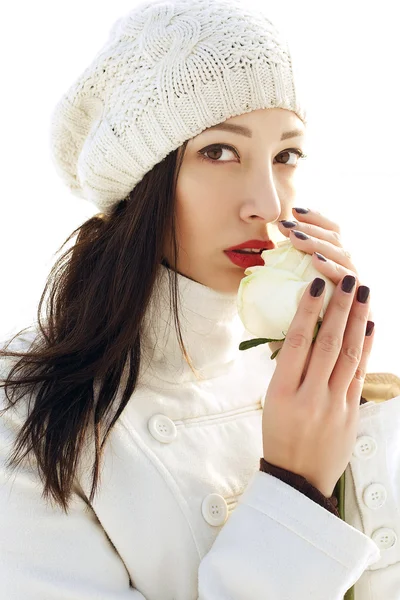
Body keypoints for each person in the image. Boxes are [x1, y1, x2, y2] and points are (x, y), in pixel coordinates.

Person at [1, 0, 400, 598]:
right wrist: (295, 486)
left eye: (285, 156)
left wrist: (350, 407)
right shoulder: (26, 412)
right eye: (219, 151)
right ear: (141, 180)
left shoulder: (302, 383)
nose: (267, 203)